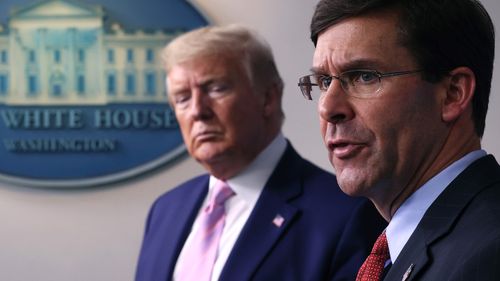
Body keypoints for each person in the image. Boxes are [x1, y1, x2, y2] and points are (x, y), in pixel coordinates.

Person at [135, 24, 386, 281]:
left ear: (268, 98)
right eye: (182, 98)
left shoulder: (347, 215)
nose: (198, 110)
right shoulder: (165, 210)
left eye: (216, 88)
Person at [299, 0, 499, 280]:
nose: (328, 108)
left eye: (364, 77)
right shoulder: (398, 251)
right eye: (323, 82)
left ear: (453, 93)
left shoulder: (489, 253)